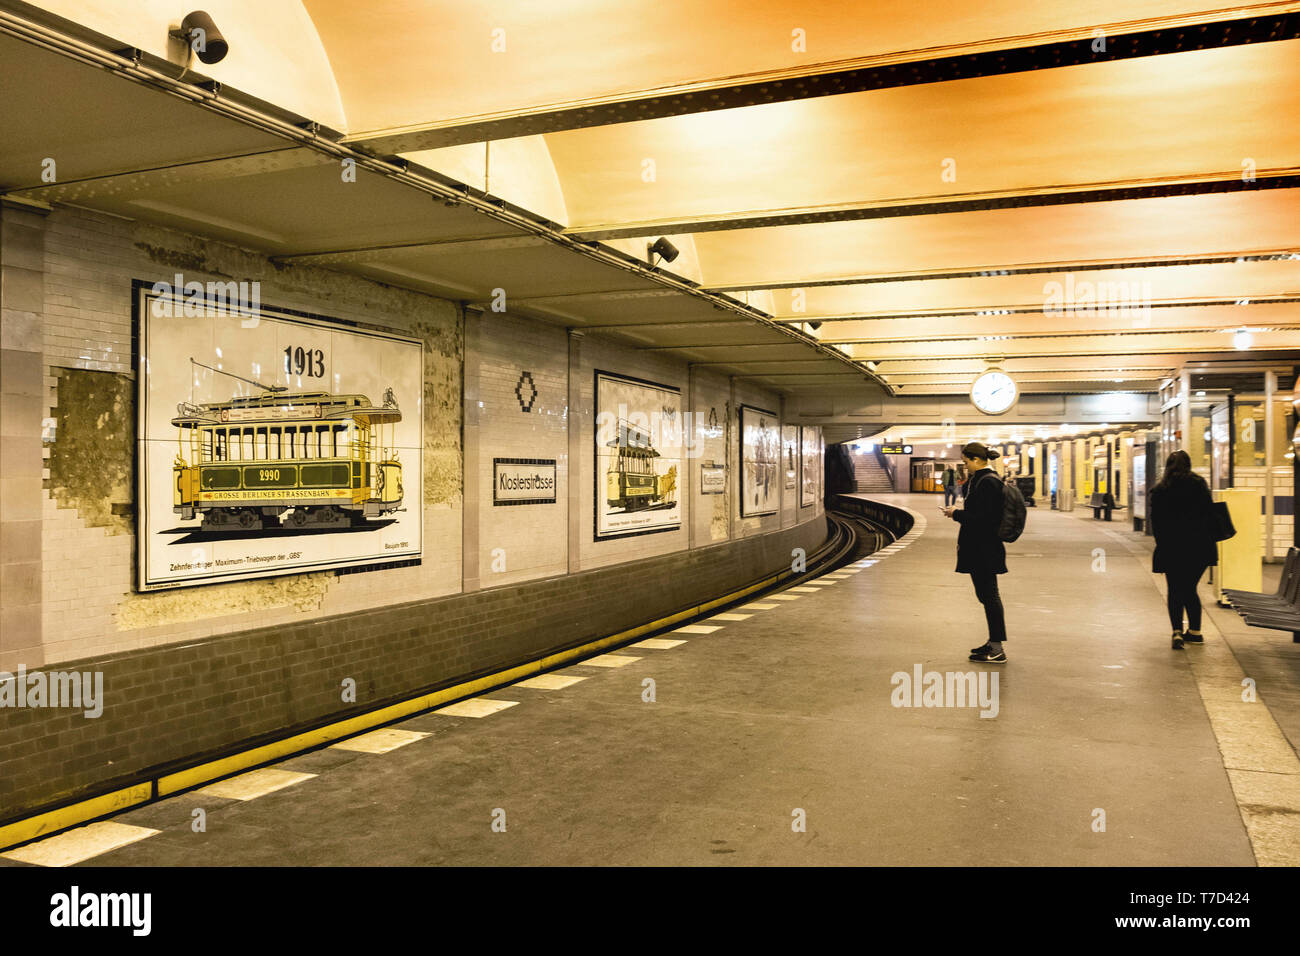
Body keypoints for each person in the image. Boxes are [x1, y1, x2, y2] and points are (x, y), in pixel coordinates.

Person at [941, 442, 1008, 663]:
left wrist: (956, 514)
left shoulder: (987, 483)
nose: (965, 466)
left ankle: (997, 648)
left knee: (990, 596)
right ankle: (993, 642)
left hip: (984, 549)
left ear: (977, 460)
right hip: (981, 548)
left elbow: (984, 520)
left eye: (966, 461)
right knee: (986, 596)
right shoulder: (983, 480)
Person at [1149, 450, 1217, 649]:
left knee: (1175, 589)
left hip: (1172, 548)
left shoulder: (1160, 490)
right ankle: (1195, 632)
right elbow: (1210, 514)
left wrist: (1162, 545)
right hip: (1199, 548)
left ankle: (1177, 631)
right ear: (1189, 464)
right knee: (1189, 588)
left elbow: (1157, 523)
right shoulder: (1199, 485)